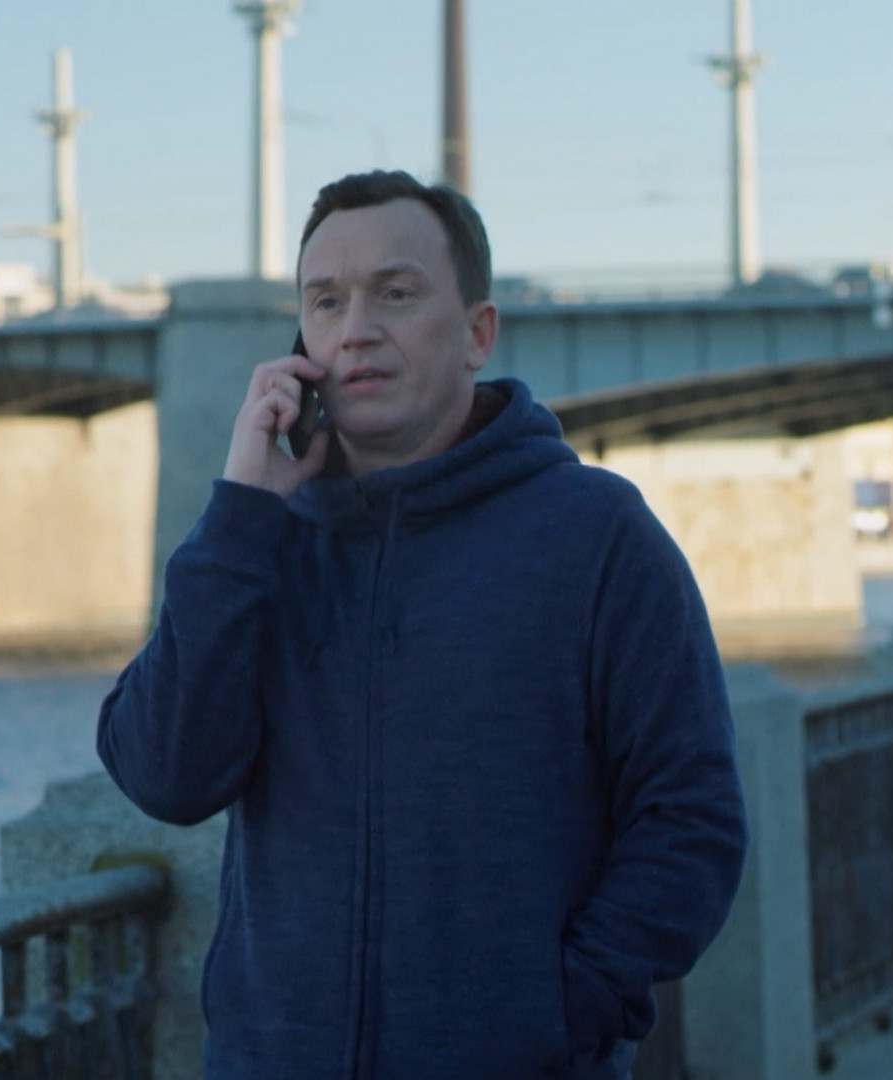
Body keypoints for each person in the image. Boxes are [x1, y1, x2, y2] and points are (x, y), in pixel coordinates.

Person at [96, 170, 748, 1080]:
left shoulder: (597, 536)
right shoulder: (261, 545)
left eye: (396, 294)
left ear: (478, 332)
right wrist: (241, 513)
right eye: (326, 301)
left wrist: (559, 1010)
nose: (356, 329)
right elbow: (166, 776)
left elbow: (691, 818)